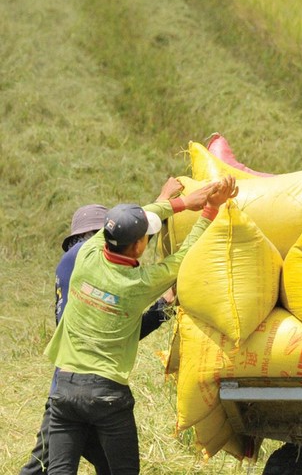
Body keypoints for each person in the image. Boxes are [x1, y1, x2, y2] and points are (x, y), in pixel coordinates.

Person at [43, 175, 238, 475]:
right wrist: (209, 209)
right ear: (137, 247)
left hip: (64, 390)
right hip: (106, 395)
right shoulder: (138, 284)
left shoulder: (87, 254)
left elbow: (142, 215)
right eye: (146, 237)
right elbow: (186, 256)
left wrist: (183, 202)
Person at [21, 180, 185, 475]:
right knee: (42, 465)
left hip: (66, 384)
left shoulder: (74, 262)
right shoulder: (95, 263)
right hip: (99, 387)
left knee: (57, 465)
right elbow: (124, 325)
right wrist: (163, 308)